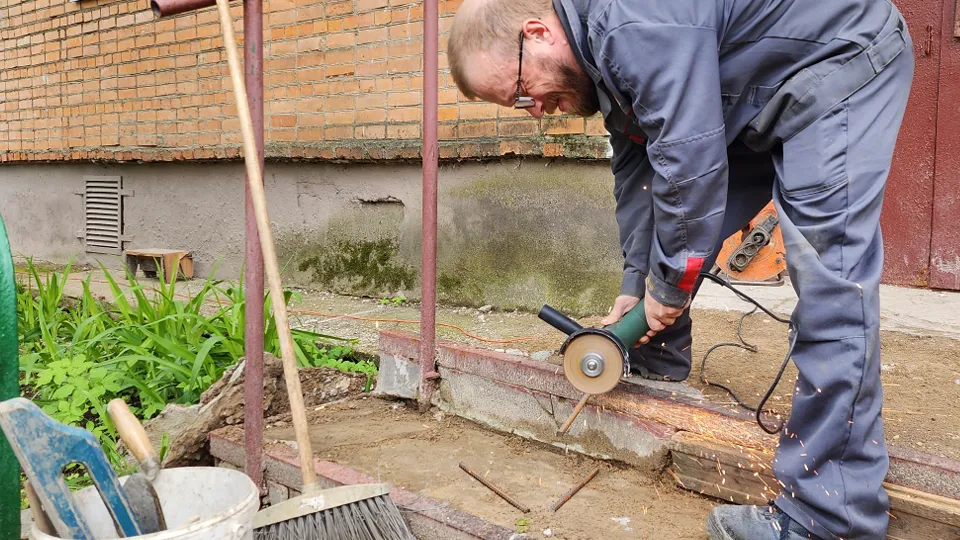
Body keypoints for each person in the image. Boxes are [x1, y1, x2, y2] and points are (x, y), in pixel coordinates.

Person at [446, 0, 915, 538]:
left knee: (829, 277)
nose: (533, 111)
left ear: (537, 33)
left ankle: (832, 516)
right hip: (758, 91)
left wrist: (666, 288)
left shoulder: (630, 24)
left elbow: (690, 166)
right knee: (672, 236)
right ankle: (655, 357)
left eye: (520, 93)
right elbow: (642, 179)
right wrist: (635, 288)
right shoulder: (605, 60)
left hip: (836, 64)